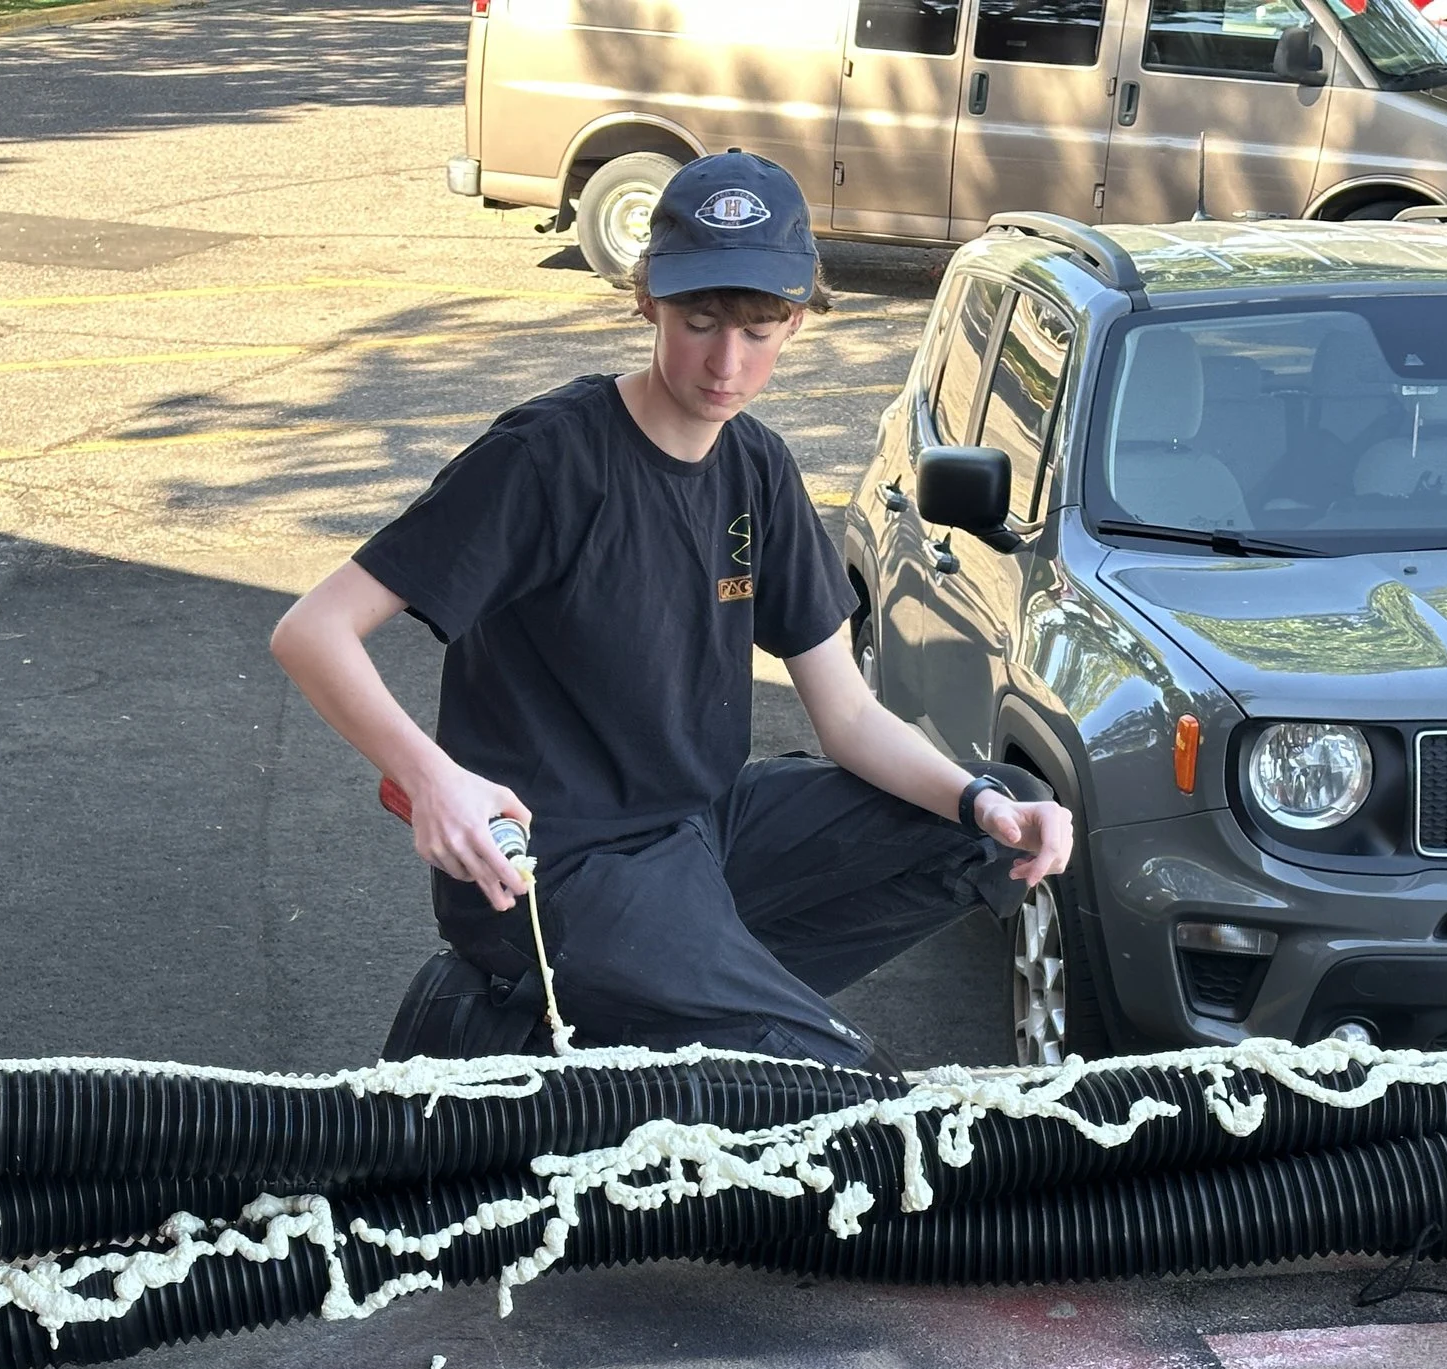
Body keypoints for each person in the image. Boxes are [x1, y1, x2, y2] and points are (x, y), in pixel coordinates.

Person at [269, 151, 1073, 1070]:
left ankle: (685, 1008)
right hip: (562, 868)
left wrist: (977, 798)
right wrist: (432, 779)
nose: (727, 364)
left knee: (1003, 819)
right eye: (699, 322)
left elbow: (847, 715)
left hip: (704, 828)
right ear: (646, 295)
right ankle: (715, 1017)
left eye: (761, 330)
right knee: (832, 1081)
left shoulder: (757, 469)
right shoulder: (546, 460)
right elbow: (311, 632)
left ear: (798, 321)